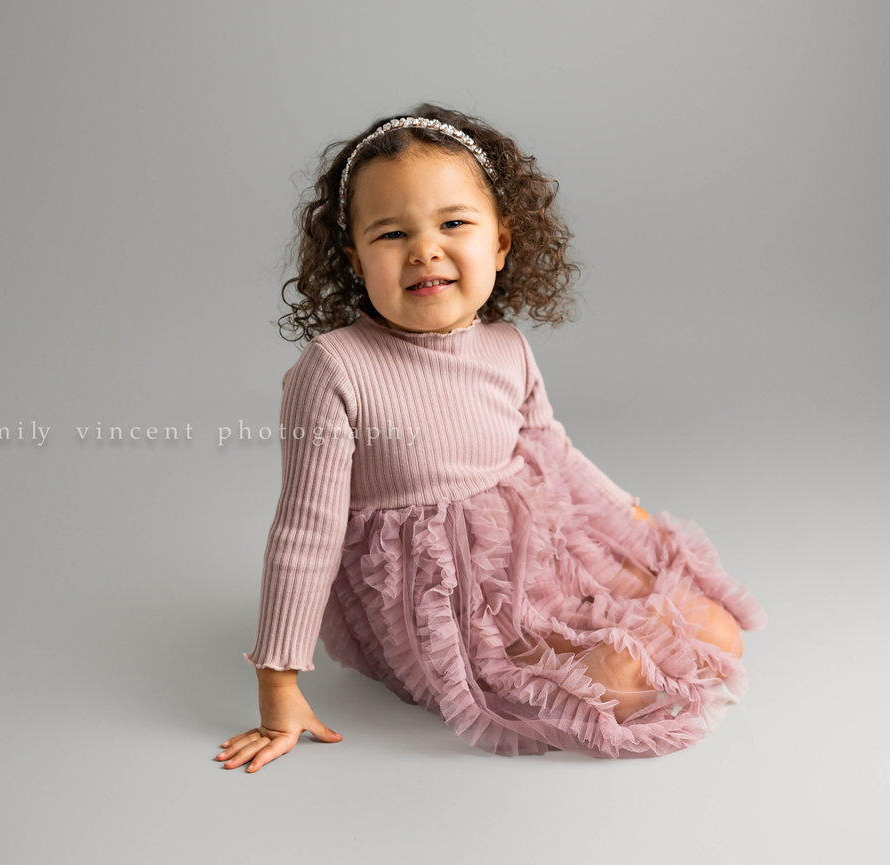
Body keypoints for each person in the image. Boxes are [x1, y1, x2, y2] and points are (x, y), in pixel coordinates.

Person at [215, 104, 768, 771]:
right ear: (355, 258)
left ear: (501, 243)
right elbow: (305, 530)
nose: (425, 248)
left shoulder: (506, 346)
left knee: (714, 630)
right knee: (621, 680)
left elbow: (552, 449)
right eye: (392, 234)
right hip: (433, 599)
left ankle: (583, 625)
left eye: (453, 223)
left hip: (529, 558)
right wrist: (277, 683)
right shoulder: (335, 368)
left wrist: (630, 515)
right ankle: (547, 654)